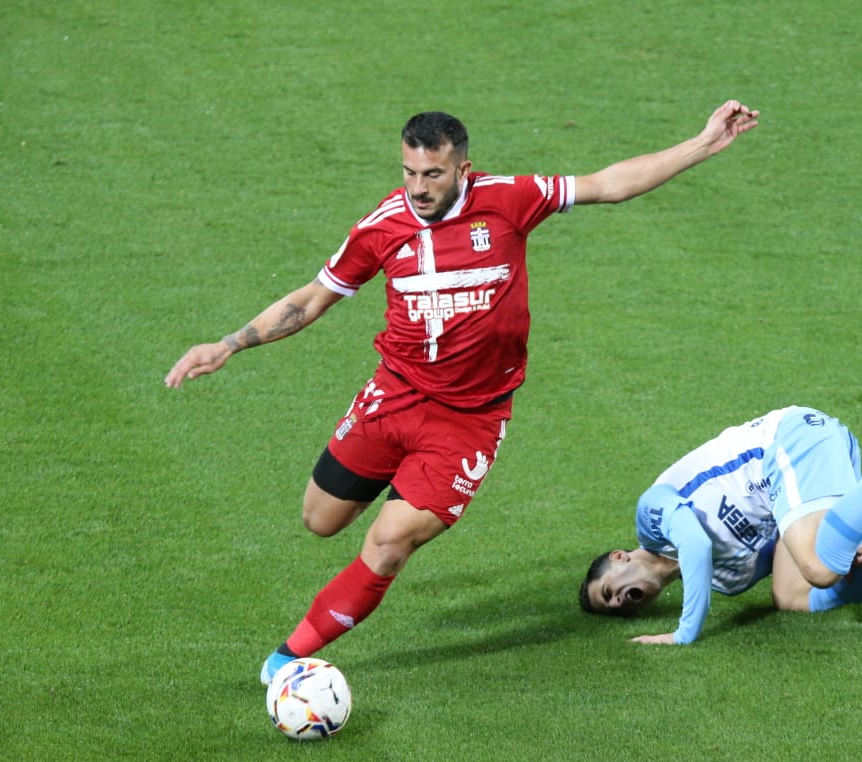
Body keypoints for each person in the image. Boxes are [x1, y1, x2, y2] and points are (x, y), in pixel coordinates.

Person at [164, 101, 760, 683]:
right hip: (393, 395)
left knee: (390, 543)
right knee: (319, 520)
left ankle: (289, 658)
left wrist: (702, 143)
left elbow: (609, 184)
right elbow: (312, 298)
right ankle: (385, 498)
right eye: (409, 172)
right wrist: (230, 343)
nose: (418, 188)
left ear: (462, 170)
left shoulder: (509, 200)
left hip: (468, 422)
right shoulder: (381, 227)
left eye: (432, 174)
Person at [579, 405, 862, 644]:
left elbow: (696, 545)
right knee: (793, 596)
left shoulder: (652, 518)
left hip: (785, 442)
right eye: (615, 608)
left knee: (819, 568)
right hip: (805, 477)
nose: (618, 602)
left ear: (619, 557)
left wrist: (685, 632)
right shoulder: (729, 580)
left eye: (609, 589)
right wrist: (839, 539)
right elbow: (788, 540)